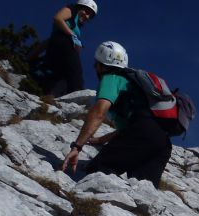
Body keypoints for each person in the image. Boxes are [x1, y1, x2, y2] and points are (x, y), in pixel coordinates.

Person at [62, 42, 173, 189]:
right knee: (142, 192)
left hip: (142, 134)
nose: (95, 67)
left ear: (101, 65)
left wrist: (77, 147)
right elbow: (130, 129)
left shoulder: (111, 78)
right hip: (162, 143)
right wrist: (101, 139)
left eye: (96, 64)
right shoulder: (133, 86)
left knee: (96, 173)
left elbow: (99, 112)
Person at [39, 1, 98, 97]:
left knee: (61, 77)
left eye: (90, 16)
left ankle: (52, 97)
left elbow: (50, 40)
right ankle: (76, 94)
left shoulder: (75, 24)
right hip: (63, 43)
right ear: (80, 7)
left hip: (58, 48)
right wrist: (72, 35)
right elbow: (58, 18)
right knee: (75, 71)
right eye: (86, 12)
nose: (87, 17)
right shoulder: (72, 9)